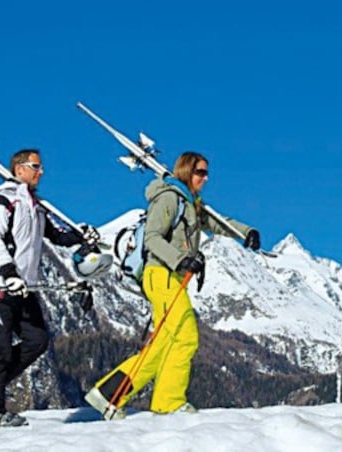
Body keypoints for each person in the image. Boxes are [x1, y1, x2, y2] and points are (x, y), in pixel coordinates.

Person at [85, 151, 261, 416]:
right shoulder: (169, 198)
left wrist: (245, 232)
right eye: (200, 172)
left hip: (173, 276)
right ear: (186, 172)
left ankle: (107, 394)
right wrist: (180, 260)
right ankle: (169, 402)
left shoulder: (191, 203)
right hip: (161, 274)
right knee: (186, 335)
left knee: (163, 344)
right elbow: (152, 239)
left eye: (207, 172)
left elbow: (216, 222)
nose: (206, 177)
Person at [0, 149, 101, 428]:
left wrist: (82, 236)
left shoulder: (36, 205)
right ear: (19, 169)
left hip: (25, 286)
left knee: (38, 340)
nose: (41, 171)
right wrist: (8, 272)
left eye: (41, 166)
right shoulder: (4, 199)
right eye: (36, 166)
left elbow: (56, 236)